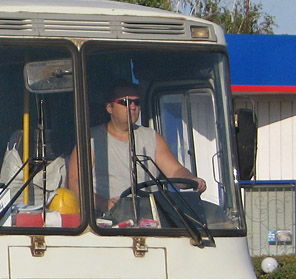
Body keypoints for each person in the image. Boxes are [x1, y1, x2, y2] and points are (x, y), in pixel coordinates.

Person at [67, 84, 205, 215]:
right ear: (109, 107)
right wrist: (105, 204)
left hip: (149, 218)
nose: (132, 107)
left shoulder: (152, 137)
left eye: (136, 102)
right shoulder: (91, 140)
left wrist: (190, 179)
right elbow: (75, 182)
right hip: (105, 222)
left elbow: (175, 171)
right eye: (125, 102)